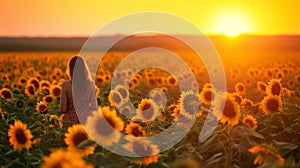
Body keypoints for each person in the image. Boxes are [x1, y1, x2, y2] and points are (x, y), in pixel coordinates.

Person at [60, 56, 98, 128]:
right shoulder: (91, 84)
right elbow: (94, 107)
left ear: (70, 69)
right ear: (84, 69)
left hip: (70, 122)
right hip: (86, 120)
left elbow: (63, 109)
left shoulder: (65, 85)